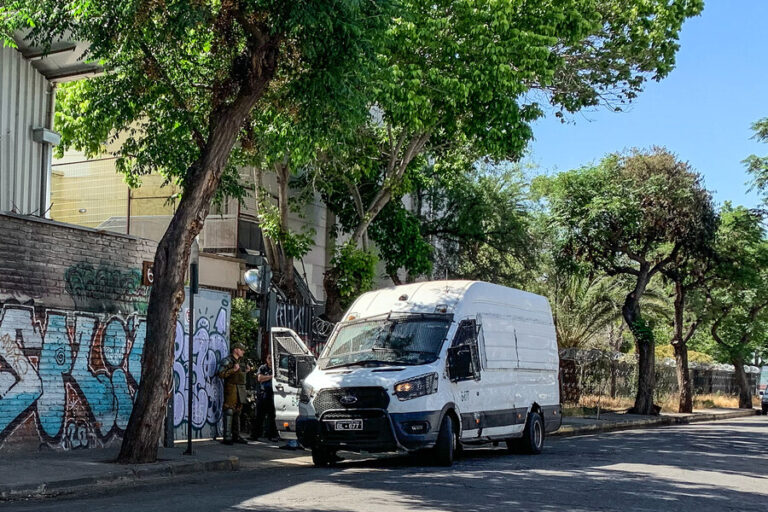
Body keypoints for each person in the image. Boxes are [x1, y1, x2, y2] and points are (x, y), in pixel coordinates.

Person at [218, 342, 252, 445]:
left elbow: (241, 375)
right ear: (236, 350)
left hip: (240, 388)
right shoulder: (227, 361)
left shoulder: (241, 362)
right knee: (229, 411)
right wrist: (233, 370)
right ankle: (227, 436)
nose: (243, 352)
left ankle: (236, 435)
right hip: (231, 388)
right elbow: (221, 374)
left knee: (238, 411)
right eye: (241, 350)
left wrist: (246, 371)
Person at [250, 353, 279, 441]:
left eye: (272, 358)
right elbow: (260, 378)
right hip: (263, 394)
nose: (270, 360)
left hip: (272, 395)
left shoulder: (276, 369)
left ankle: (272, 435)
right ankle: (255, 435)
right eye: (269, 358)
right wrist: (271, 377)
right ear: (266, 359)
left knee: (272, 416)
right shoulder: (263, 368)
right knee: (259, 416)